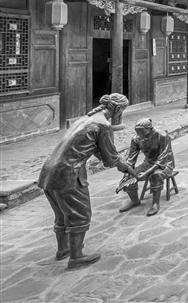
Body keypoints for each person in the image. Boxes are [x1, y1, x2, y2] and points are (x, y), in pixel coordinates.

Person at [38, 93, 137, 269]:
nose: (121, 114)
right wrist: (127, 168)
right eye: (122, 110)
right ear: (117, 109)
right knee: (80, 215)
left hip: (49, 172)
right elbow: (110, 157)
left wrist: (116, 162)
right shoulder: (103, 125)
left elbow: (97, 150)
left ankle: (63, 249)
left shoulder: (85, 119)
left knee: (62, 214)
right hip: (69, 174)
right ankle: (76, 257)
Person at [116, 118, 175, 216]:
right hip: (148, 163)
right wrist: (127, 171)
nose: (141, 136)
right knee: (128, 177)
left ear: (150, 129)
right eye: (138, 133)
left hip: (165, 163)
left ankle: (155, 204)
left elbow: (162, 159)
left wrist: (145, 173)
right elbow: (131, 159)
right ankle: (135, 200)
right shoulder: (136, 139)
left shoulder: (162, 136)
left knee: (155, 175)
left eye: (143, 133)